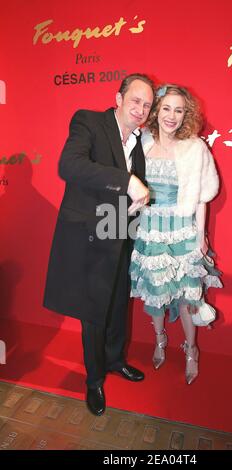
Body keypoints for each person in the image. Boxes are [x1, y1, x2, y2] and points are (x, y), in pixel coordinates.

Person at [43, 73, 155, 415]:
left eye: (147, 105)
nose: (140, 109)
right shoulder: (88, 121)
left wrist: (137, 205)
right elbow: (70, 165)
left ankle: (114, 360)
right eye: (135, 101)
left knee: (118, 301)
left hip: (119, 233)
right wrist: (127, 182)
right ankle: (93, 380)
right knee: (94, 311)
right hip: (88, 234)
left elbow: (131, 192)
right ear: (118, 98)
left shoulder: (138, 142)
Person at [129, 84, 223, 384]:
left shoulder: (195, 147)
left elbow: (202, 197)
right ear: (156, 111)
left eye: (179, 110)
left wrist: (200, 236)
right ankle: (159, 339)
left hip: (182, 228)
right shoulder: (139, 141)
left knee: (186, 296)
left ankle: (191, 349)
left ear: (187, 114)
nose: (172, 116)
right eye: (166, 108)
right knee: (156, 292)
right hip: (149, 229)